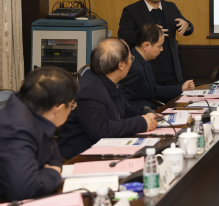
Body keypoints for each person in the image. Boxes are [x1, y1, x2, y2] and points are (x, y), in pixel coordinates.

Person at [57, 38, 158, 159]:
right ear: (121, 65)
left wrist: (146, 117)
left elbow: (125, 109)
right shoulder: (90, 89)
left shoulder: (108, 80)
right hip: (80, 157)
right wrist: (141, 122)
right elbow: (101, 130)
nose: (131, 62)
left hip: (103, 149)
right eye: (130, 58)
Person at [0, 67, 77, 201]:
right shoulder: (16, 130)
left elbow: (55, 159)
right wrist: (53, 173)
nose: (72, 109)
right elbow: (25, 190)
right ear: (57, 109)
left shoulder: (37, 112)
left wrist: (45, 172)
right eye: (71, 104)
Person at [118, 0, 194, 86]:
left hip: (173, 74)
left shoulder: (171, 7)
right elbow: (123, 35)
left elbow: (188, 29)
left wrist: (187, 24)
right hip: (147, 74)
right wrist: (148, 33)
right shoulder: (131, 10)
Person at [120, 23, 195, 112]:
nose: (162, 49)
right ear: (146, 46)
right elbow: (124, 103)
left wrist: (181, 88)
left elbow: (154, 90)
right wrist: (150, 114)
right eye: (159, 46)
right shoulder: (132, 66)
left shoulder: (144, 60)